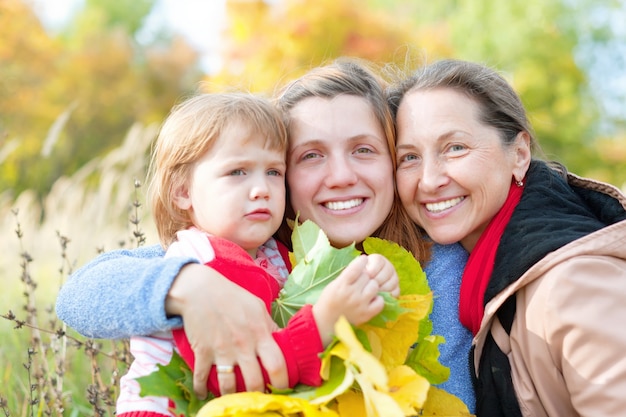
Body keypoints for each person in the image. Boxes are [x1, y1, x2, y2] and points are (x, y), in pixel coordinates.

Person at [55, 59, 475, 410]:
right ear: (285, 174)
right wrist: (187, 284)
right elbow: (78, 295)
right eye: (310, 155)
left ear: (393, 160)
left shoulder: (438, 264)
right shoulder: (254, 253)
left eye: (363, 149)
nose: (342, 176)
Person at [115, 92, 398, 416]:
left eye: (274, 172)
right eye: (238, 172)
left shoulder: (272, 253)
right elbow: (233, 378)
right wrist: (324, 321)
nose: (262, 188)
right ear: (183, 191)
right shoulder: (201, 262)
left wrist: (368, 276)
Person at [388, 58, 626, 416]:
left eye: (455, 148)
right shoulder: (471, 279)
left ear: (519, 154)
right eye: (409, 157)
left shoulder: (574, 285)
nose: (429, 179)